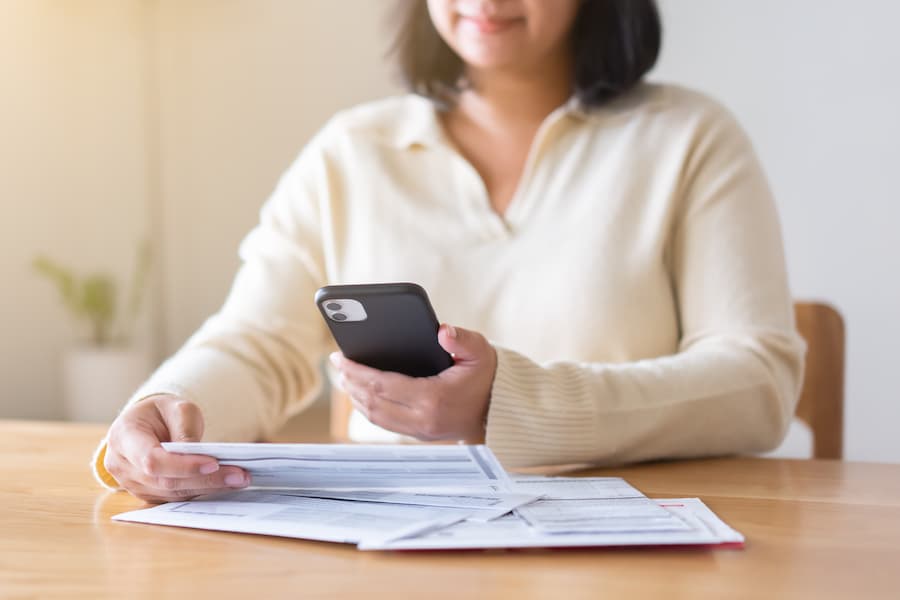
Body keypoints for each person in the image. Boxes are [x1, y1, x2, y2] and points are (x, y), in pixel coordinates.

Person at [95, 0, 805, 503]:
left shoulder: (689, 138)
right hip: (391, 545)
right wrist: (165, 409)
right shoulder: (351, 152)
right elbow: (253, 344)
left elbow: (758, 382)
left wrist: (512, 403)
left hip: (636, 544)